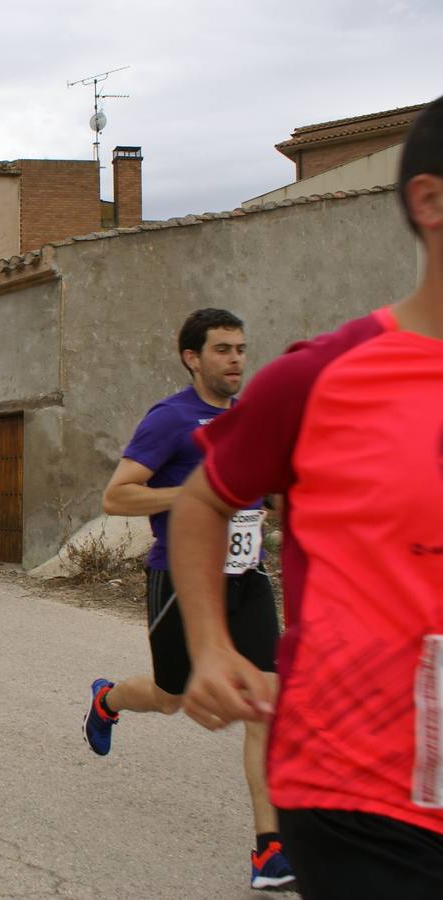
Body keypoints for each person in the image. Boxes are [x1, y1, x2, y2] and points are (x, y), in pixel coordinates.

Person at [171, 96, 443, 899]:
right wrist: (210, 646)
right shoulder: (323, 376)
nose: (233, 359)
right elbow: (201, 501)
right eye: (221, 350)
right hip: (360, 791)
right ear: (431, 202)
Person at [81, 308, 293, 891]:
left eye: (242, 349)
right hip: (179, 579)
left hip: (247, 579)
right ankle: (109, 700)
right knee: (172, 698)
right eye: (222, 350)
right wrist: (201, 496)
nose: (235, 361)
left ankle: (269, 848)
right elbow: (118, 496)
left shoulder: (252, 417)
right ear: (191, 357)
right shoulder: (170, 420)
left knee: (267, 703)